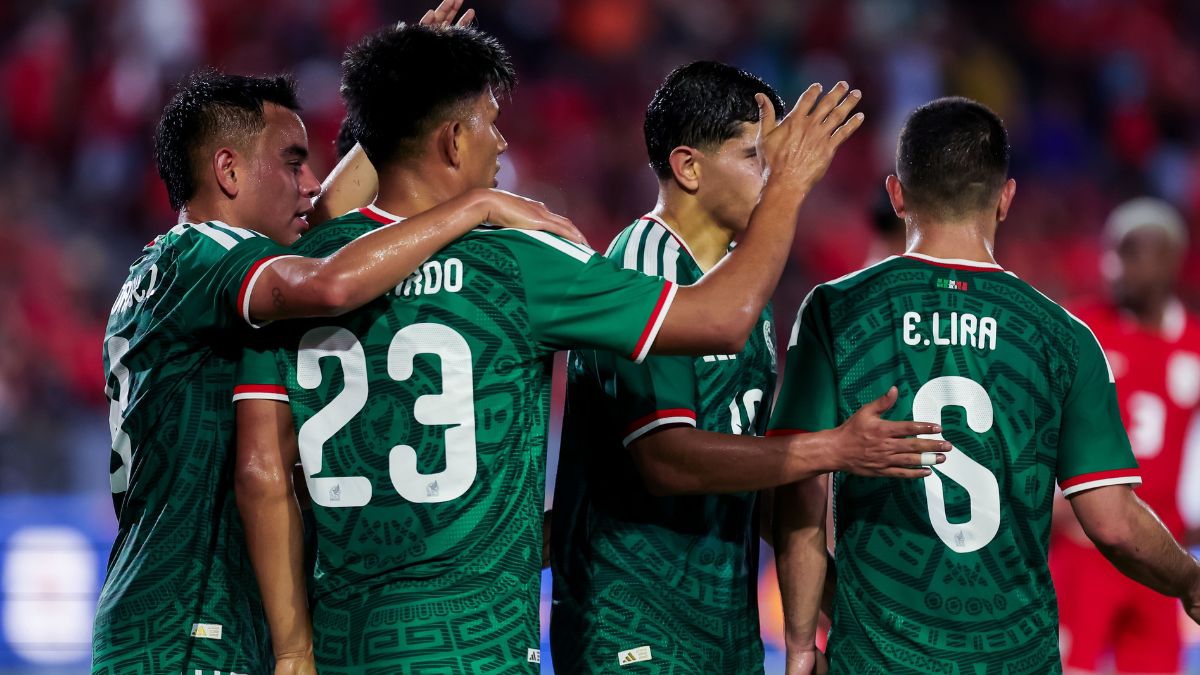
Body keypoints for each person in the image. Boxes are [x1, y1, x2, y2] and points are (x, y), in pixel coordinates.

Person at [232, 23, 869, 673]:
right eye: (488, 121)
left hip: (343, 638)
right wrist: (788, 183)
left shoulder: (289, 277)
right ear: (453, 140)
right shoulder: (522, 261)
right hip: (481, 645)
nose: (502, 141)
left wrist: (291, 649)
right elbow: (720, 320)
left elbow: (261, 472)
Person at [92, 45, 582, 675]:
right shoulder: (210, 255)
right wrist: (472, 208)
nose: (309, 185)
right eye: (292, 164)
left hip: (162, 611)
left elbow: (322, 221)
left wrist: (401, 102)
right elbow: (330, 282)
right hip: (196, 622)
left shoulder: (158, 272)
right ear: (229, 172)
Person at [767, 97, 1200, 674]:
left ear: (897, 195)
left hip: (877, 658)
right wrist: (1190, 582)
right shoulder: (1064, 336)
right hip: (1013, 659)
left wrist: (801, 644)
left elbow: (795, 487)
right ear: (1006, 197)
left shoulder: (835, 310)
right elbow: (1115, 524)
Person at [548, 61, 948, 674]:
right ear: (688, 167)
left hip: (723, 631)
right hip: (631, 626)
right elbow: (667, 459)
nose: (773, 176)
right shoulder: (643, 264)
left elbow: (749, 475)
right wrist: (835, 448)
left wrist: (836, 611)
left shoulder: (742, 289)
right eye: (755, 157)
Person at [1051, 197, 1200, 674]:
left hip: (1163, 547)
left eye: (1132, 252)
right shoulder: (1078, 328)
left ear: (1171, 258)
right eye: (1113, 251)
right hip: (1087, 541)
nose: (1116, 265)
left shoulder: (1195, 344)